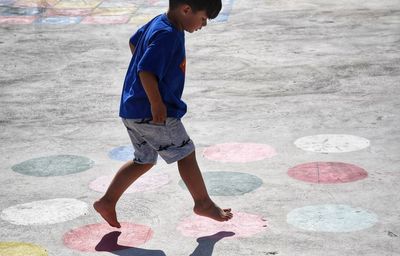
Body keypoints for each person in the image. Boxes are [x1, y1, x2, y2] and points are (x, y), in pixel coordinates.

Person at [93, 0, 233, 228]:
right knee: (186, 153)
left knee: (144, 160)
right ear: (186, 9)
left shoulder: (160, 23)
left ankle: (107, 201)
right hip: (154, 113)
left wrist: (145, 79)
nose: (204, 24)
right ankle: (203, 203)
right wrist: (156, 102)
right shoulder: (167, 35)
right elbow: (146, 71)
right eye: (204, 18)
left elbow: (134, 42)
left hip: (132, 110)